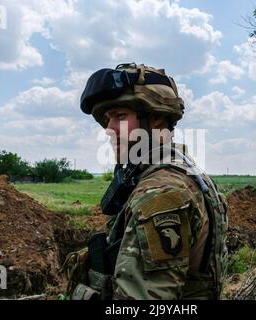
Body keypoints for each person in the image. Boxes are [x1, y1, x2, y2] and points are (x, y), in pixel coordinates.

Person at [69, 62, 228, 300]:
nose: (109, 129)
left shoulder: (161, 193)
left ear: (155, 119)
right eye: (107, 119)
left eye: (120, 116)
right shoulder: (181, 173)